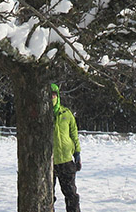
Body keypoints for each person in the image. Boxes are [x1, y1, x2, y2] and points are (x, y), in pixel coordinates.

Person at [50, 83, 81, 212]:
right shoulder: (41, 114)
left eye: (54, 94)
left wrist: (77, 153)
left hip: (66, 161)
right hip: (48, 162)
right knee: (47, 196)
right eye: (49, 95)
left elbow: (74, 133)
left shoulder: (66, 113)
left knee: (71, 195)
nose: (52, 97)